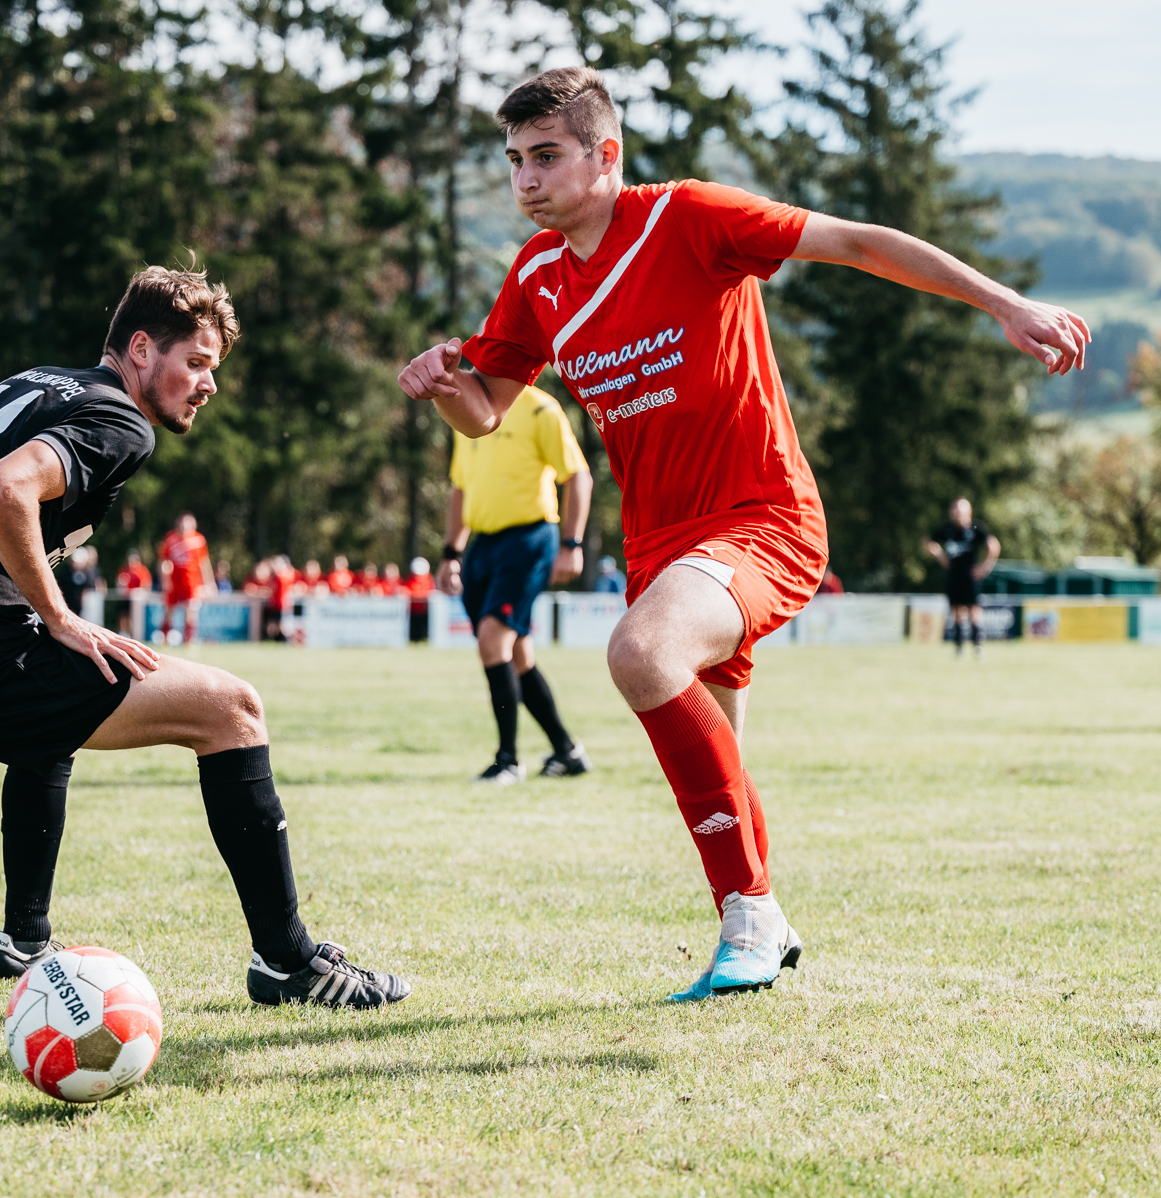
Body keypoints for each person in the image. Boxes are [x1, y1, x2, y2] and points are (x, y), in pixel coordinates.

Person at [398, 67, 1088, 1001]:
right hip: (662, 547)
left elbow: (857, 242)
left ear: (607, 156)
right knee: (716, 757)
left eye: (546, 156)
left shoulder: (687, 217)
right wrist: (446, 388)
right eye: (514, 160)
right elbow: (486, 416)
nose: (525, 178)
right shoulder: (534, 279)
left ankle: (749, 917)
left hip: (763, 517)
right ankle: (766, 919)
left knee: (640, 653)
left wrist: (1007, 303)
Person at [0, 265, 407, 1009]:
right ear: (141, 349)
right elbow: (0, 490)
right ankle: (288, 963)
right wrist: (60, 617)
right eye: (197, 363)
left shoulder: (32, 383)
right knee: (231, 708)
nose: (208, 384)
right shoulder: (120, 420)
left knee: (52, 713)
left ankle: (23, 939)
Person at [441, 382, 594, 783]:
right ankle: (567, 751)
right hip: (483, 545)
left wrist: (571, 544)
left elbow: (577, 475)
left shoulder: (541, 408)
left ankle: (507, 760)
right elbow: (460, 489)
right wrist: (451, 553)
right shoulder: (467, 415)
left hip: (530, 538)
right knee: (517, 654)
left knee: (494, 640)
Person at [924, 498, 998, 657]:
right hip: (953, 576)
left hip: (970, 577)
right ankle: (958, 648)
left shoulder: (976, 528)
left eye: (961, 510)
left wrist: (985, 568)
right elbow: (928, 542)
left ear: (968, 512)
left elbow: (993, 546)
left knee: (974, 611)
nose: (957, 514)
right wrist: (941, 557)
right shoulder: (948, 530)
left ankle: (978, 647)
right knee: (957, 612)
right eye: (955, 510)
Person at [158, 512, 212, 644]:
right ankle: (164, 638)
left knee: (191, 611)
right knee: (169, 610)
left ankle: (188, 641)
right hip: (174, 580)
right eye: (182, 523)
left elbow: (203, 563)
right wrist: (165, 580)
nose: (184, 526)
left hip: (192, 581)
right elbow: (163, 561)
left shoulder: (198, 540)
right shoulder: (170, 539)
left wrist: (209, 583)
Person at [58, 547, 102, 616]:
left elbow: (89, 590)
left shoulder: (89, 574)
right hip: (68, 605)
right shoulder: (66, 573)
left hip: (85, 608)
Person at [405, 556, 434, 642]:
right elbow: (407, 591)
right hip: (413, 611)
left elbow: (430, 592)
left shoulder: (429, 580)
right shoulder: (410, 580)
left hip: (424, 611)